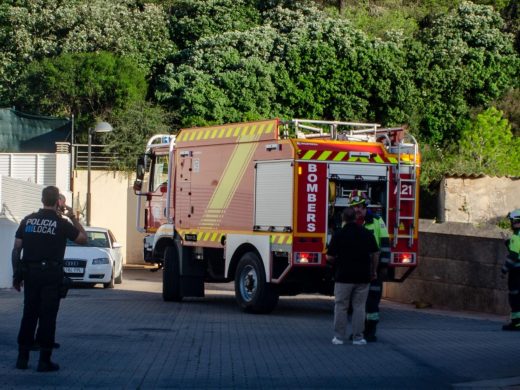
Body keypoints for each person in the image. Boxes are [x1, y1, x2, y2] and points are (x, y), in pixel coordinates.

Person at [12, 186, 87, 372]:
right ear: (57, 202)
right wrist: (73, 217)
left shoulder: (27, 221)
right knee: (48, 316)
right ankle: (44, 361)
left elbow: (16, 249)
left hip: (30, 274)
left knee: (29, 314)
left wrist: (16, 274)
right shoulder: (62, 223)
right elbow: (83, 239)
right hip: (51, 275)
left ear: (42, 200)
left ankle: (22, 358)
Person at [327, 207, 379, 346]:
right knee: (359, 307)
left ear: (343, 219)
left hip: (343, 276)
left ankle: (338, 337)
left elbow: (329, 256)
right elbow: (375, 253)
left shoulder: (339, 234)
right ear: (356, 218)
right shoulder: (367, 233)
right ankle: (358, 337)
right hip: (363, 277)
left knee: (341, 306)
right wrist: (373, 271)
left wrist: (337, 262)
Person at [349, 190, 391, 342]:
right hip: (357, 269)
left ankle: (371, 332)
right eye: (354, 206)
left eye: (360, 206)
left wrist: (384, 267)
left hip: (374, 270)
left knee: (372, 303)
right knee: (357, 304)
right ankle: (358, 331)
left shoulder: (377, 221)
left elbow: (385, 245)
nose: (357, 209)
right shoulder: (349, 222)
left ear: (365, 206)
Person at [501, 209, 520, 331]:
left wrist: (504, 269)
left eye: (512, 221)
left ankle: (517, 323)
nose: (511, 223)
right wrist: (508, 242)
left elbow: (513, 256)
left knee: (515, 296)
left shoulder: (515, 236)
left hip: (517, 272)